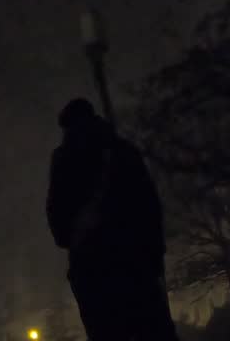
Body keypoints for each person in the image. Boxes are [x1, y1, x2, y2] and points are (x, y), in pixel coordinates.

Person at [46, 98, 178, 341]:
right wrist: (153, 256)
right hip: (134, 265)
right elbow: (149, 208)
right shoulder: (120, 152)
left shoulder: (65, 164)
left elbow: (59, 227)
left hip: (96, 273)